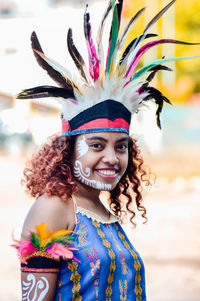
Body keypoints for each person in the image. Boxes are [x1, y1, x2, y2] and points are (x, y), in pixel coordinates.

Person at [13, 0, 198, 300]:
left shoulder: (100, 208)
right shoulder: (54, 207)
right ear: (68, 149)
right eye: (97, 145)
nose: (112, 158)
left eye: (121, 147)